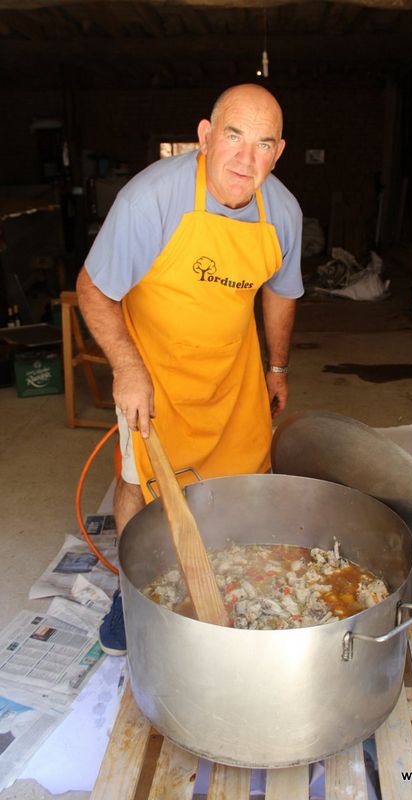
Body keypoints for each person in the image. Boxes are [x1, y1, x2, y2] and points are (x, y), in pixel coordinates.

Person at [76, 83, 304, 655]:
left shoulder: (283, 213)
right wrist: (126, 368)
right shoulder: (150, 199)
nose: (245, 159)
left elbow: (280, 291)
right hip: (154, 375)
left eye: (263, 144)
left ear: (278, 153)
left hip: (231, 375)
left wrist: (277, 367)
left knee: (245, 482)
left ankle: (231, 586)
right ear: (205, 136)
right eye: (233, 136)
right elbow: (93, 290)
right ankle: (131, 594)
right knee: (140, 485)